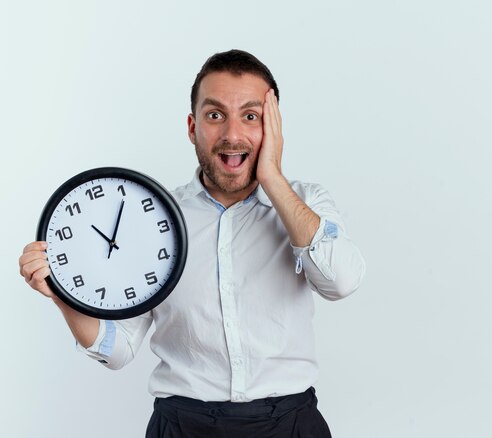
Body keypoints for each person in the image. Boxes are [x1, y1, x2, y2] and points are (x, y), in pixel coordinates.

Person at [19, 49, 365, 438]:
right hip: (182, 426)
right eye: (215, 115)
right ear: (192, 127)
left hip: (290, 424)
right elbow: (116, 350)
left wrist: (272, 176)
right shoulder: (153, 220)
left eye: (251, 117)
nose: (232, 134)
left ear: (274, 129)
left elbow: (341, 282)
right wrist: (61, 294)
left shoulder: (307, 203)